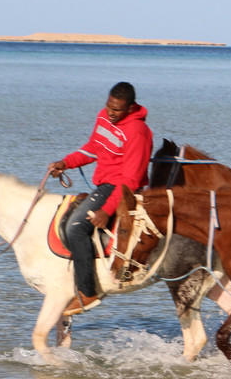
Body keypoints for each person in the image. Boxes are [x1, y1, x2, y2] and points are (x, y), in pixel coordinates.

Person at [49, 82, 153, 316]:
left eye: (117, 110)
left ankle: (88, 292)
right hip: (104, 184)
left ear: (130, 108)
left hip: (120, 187)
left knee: (76, 227)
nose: (111, 113)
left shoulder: (138, 132)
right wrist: (66, 162)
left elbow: (131, 180)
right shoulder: (104, 117)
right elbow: (93, 148)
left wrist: (107, 210)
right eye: (108, 107)